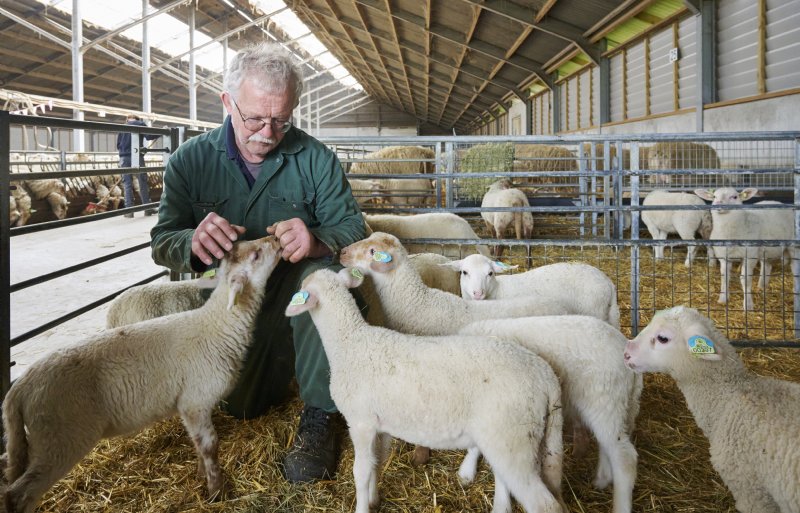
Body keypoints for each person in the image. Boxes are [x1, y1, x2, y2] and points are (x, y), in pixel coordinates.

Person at [150, 43, 366, 483]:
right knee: (243, 406)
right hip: (235, 304)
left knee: (321, 284)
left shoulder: (315, 159)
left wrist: (318, 240)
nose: (268, 132)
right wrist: (192, 241)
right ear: (228, 102)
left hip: (294, 291)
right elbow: (161, 242)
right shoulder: (189, 161)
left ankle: (321, 416)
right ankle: (284, 366)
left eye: (282, 120)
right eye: (255, 118)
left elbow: (353, 229)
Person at [117, 114, 159, 218]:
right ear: (137, 119)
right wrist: (162, 132)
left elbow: (118, 145)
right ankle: (147, 208)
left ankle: (129, 211)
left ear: (127, 119)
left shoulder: (122, 127)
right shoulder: (140, 124)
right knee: (142, 182)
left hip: (124, 158)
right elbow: (149, 136)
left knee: (127, 184)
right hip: (136, 156)